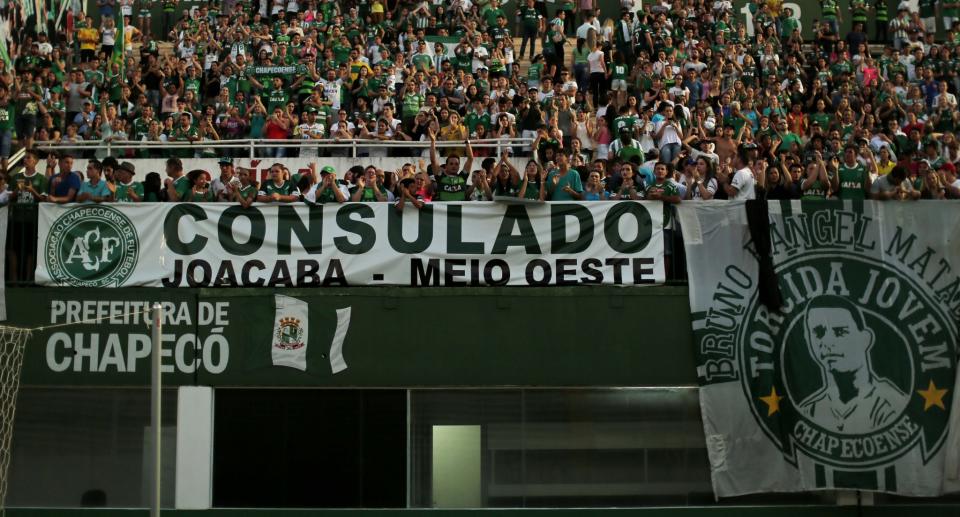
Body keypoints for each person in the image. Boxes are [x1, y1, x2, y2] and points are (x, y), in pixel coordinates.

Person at [798, 295, 909, 434]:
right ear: (809, 341)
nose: (827, 342)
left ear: (865, 339)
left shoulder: (894, 406)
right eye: (818, 333)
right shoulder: (809, 411)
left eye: (840, 332)